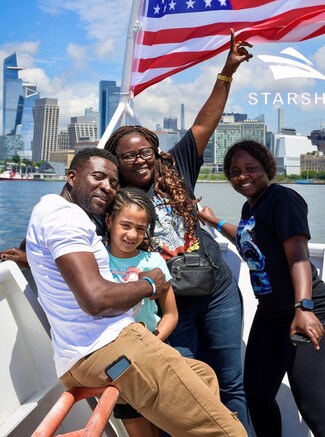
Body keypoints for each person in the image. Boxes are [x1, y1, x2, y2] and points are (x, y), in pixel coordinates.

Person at [25, 147, 247, 437]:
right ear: (71, 177)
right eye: (98, 177)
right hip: (109, 346)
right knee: (229, 432)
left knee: (203, 375)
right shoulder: (65, 218)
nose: (107, 187)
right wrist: (150, 284)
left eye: (114, 183)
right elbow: (96, 301)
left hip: (80, 356)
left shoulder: (49, 212)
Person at [104, 29, 253, 435]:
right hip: (173, 304)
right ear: (116, 162)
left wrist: (227, 71)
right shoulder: (114, 199)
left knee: (232, 384)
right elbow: (74, 219)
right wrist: (30, 252)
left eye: (144, 151)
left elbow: (207, 121)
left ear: (155, 150)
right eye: (128, 155)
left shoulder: (177, 168)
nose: (139, 159)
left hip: (218, 290)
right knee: (183, 390)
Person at [198, 140, 325, 437]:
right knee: (257, 394)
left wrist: (303, 308)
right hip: (270, 313)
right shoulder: (250, 205)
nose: (243, 177)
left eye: (251, 169)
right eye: (236, 172)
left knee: (315, 408)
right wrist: (213, 220)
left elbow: (298, 257)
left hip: (306, 308)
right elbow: (248, 243)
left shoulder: (283, 200)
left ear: (268, 168)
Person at [105, 187, 178, 437]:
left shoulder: (154, 261)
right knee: (137, 429)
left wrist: (151, 343)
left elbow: (170, 314)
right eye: (125, 225)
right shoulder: (97, 260)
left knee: (160, 428)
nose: (132, 234)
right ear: (109, 221)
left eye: (140, 228)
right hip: (119, 365)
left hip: (153, 355)